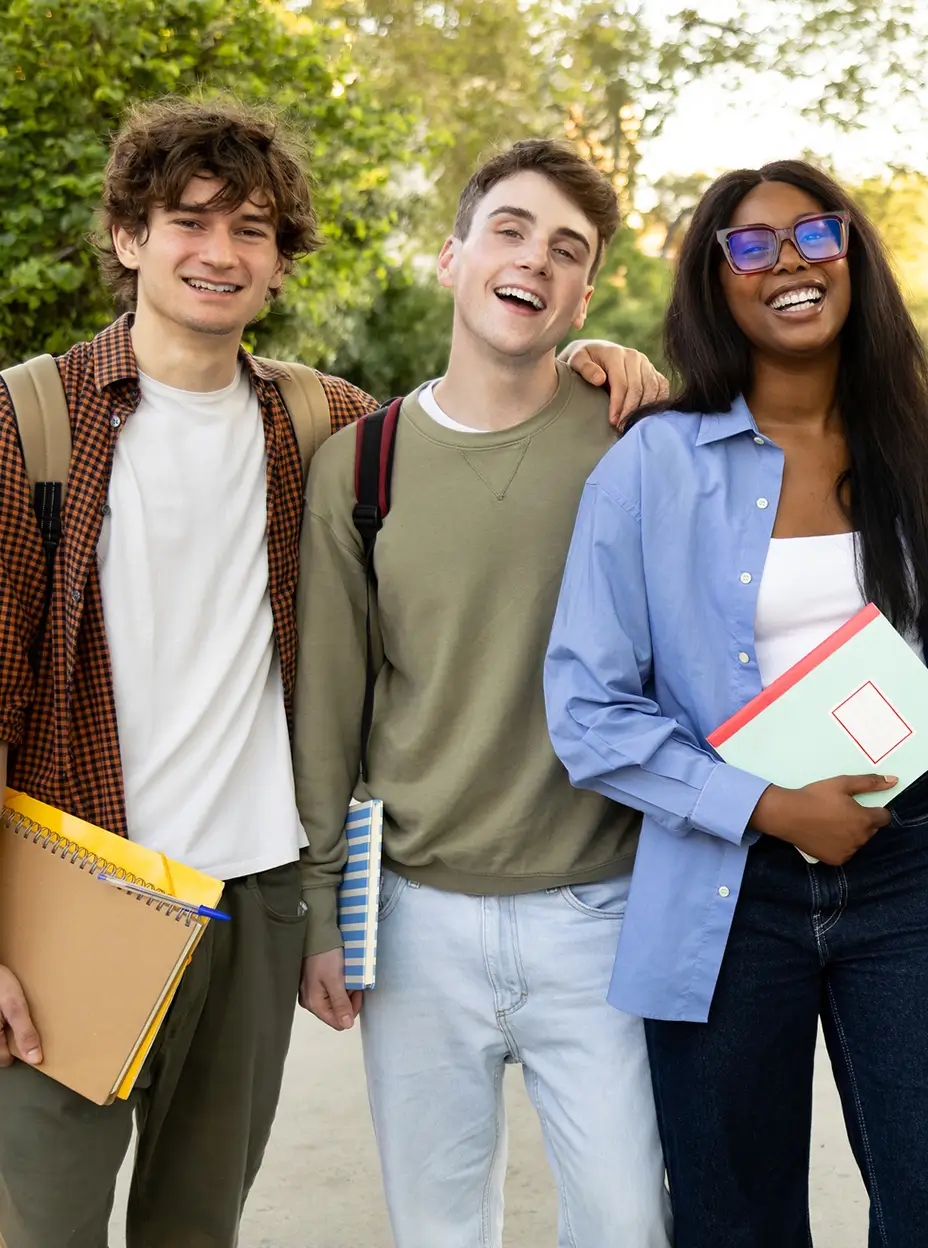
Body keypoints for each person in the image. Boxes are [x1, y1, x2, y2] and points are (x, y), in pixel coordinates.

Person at [0, 99, 653, 1247]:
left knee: (197, 1227)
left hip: (250, 901)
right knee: (39, 1226)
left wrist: (604, 359)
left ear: (280, 263)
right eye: (189, 221)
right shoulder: (30, 422)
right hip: (78, 896)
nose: (220, 251)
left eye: (252, 230)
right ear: (129, 237)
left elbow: (478, 419)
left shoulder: (324, 426)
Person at [544, 160, 928, 1248]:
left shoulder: (923, 458)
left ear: (855, 257)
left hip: (909, 880)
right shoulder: (651, 467)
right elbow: (586, 708)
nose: (790, 263)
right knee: (732, 1221)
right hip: (724, 886)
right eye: (750, 246)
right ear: (716, 284)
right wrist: (767, 802)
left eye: (816, 235)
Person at [292, 139, 671, 1248]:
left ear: (585, 295)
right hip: (413, 922)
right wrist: (324, 913)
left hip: (600, 912)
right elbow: (328, 709)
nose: (533, 262)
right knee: (439, 1232)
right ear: (453, 257)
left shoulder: (633, 440)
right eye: (509, 230)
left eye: (566, 250)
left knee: (626, 1226)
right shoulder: (360, 467)